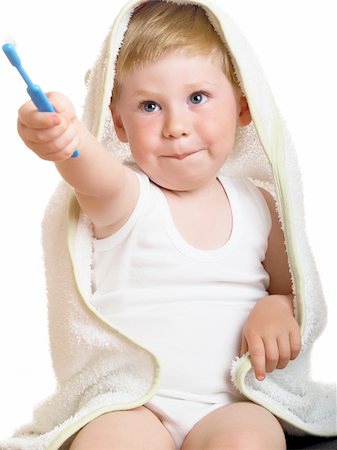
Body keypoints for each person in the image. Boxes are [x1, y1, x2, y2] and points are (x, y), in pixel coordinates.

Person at [8, 1, 335, 450]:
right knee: (113, 442)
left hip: (232, 405)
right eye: (148, 106)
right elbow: (88, 168)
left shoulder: (259, 206)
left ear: (243, 106)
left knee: (249, 440)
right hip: (135, 405)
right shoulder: (126, 199)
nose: (176, 126)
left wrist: (276, 309)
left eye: (197, 98)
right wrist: (66, 138)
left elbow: (289, 289)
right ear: (118, 124)